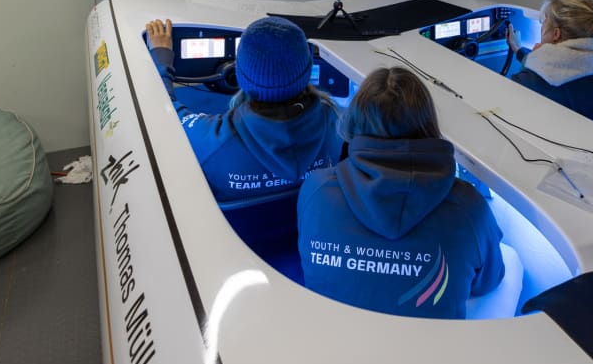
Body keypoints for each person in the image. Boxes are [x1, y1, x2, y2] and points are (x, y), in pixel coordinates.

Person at [297, 66, 507, 319]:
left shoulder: (316, 190)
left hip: (334, 340)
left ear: (354, 119)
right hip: (432, 352)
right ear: (428, 122)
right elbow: (489, 282)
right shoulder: (469, 205)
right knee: (512, 262)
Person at [145, 16, 343, 203]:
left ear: (241, 73)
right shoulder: (337, 125)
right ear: (307, 69)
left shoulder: (210, 141)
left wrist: (162, 60)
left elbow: (164, 113)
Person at [505, 0, 593, 120]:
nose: (542, 25)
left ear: (556, 34)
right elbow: (565, 66)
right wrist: (518, 49)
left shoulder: (528, 80)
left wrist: (537, 58)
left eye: (544, 20)